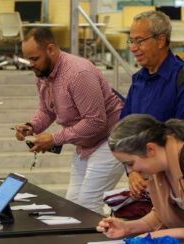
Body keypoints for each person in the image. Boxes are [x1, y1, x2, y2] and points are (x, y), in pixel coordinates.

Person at [15, 27, 124, 215]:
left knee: (88, 205)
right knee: (73, 206)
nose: (31, 64)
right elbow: (46, 110)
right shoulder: (43, 73)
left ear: (51, 49)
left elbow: (95, 121)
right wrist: (31, 126)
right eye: (28, 59)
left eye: (34, 58)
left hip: (112, 140)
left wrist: (54, 139)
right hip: (85, 143)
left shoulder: (78, 73)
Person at [120, 10, 184, 200]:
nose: (133, 48)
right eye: (131, 41)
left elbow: (178, 140)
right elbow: (123, 133)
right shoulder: (138, 81)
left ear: (161, 40)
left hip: (174, 187)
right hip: (142, 185)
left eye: (139, 41)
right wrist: (132, 171)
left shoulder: (180, 80)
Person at [97, 114, 184, 239]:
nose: (130, 171)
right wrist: (126, 227)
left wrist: (154, 236)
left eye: (130, 163)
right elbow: (161, 216)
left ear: (150, 149)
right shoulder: (156, 168)